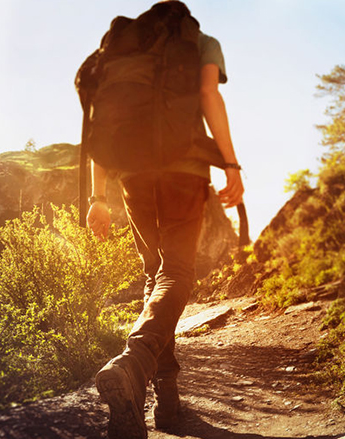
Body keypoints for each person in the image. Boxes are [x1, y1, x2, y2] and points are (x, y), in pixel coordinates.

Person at [85, 1, 243, 438]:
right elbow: (210, 95)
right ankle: (134, 365)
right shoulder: (201, 43)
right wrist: (231, 165)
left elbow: (105, 122)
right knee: (175, 272)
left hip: (134, 176)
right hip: (184, 171)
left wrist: (99, 195)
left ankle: (165, 404)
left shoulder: (125, 53)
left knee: (155, 276)